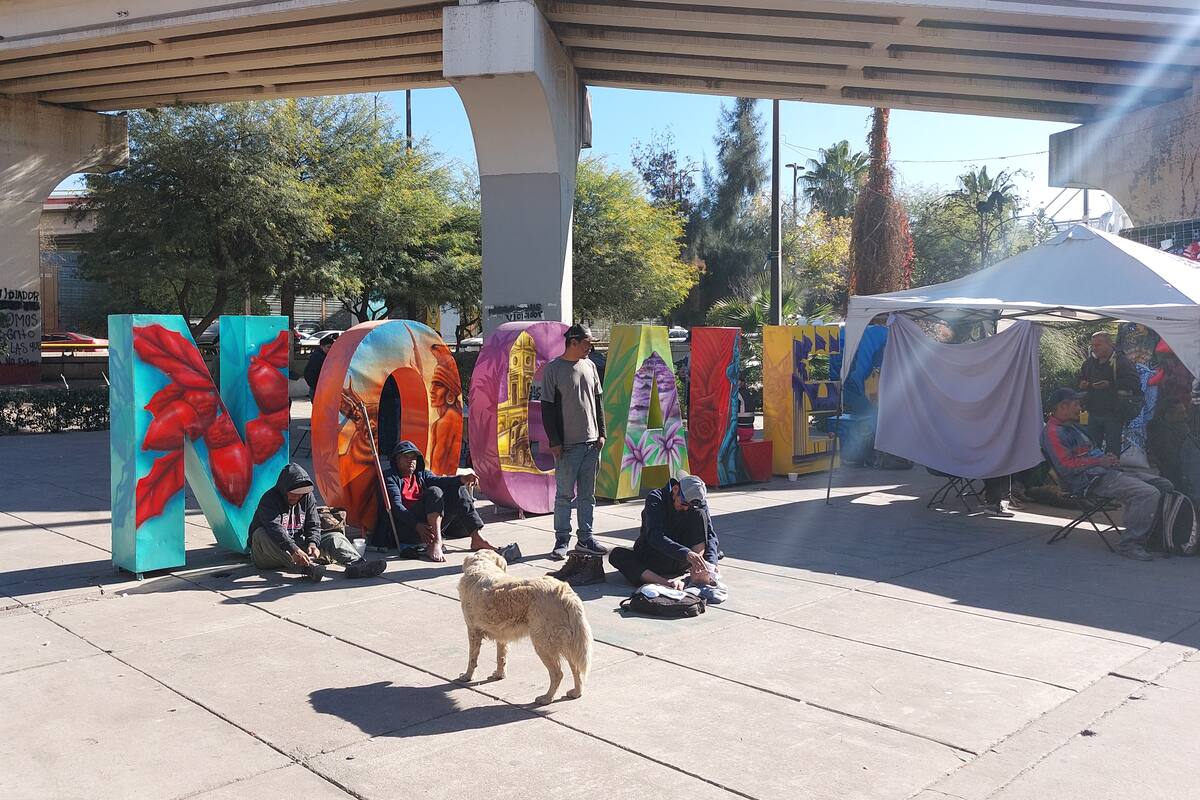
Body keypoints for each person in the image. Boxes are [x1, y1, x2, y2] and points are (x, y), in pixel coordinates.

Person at [1041, 388, 1172, 561]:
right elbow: (1066, 466)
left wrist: (1106, 458)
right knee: (1147, 493)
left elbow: (1089, 452)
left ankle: (1151, 536)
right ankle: (1130, 544)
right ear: (1063, 406)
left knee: (1163, 485)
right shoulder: (1053, 433)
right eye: (1076, 404)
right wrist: (1099, 462)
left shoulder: (1072, 426)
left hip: (1105, 473)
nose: (1079, 408)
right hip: (1089, 481)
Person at [540, 323, 609, 560]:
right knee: (564, 495)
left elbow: (599, 401)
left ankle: (586, 538)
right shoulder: (553, 370)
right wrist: (554, 441)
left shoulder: (590, 365)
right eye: (588, 342)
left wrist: (602, 433)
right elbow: (547, 408)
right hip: (568, 445)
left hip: (592, 444)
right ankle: (562, 540)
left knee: (587, 495)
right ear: (574, 342)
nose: (591, 347)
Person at [248, 463, 386, 581]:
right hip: (266, 553)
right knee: (261, 534)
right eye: (293, 493)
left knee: (334, 537)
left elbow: (313, 523)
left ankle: (357, 565)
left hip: (296, 544)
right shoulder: (269, 499)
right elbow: (274, 528)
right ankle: (307, 567)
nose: (297, 497)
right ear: (284, 488)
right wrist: (294, 549)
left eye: (300, 493)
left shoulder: (306, 497)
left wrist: (313, 543)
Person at [375, 439, 491, 562]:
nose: (410, 461)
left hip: (429, 526)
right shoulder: (390, 477)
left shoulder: (421, 475)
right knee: (434, 492)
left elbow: (441, 481)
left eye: (413, 457)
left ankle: (476, 537)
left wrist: (462, 479)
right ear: (396, 460)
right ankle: (436, 542)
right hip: (407, 527)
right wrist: (416, 525)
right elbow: (396, 507)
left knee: (459, 489)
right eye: (405, 457)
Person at [609, 475, 720, 588]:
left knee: (699, 514)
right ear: (675, 489)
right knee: (617, 555)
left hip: (683, 561)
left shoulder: (699, 503)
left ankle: (698, 569)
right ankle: (666, 583)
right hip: (654, 557)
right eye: (684, 504)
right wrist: (686, 553)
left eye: (690, 506)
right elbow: (655, 537)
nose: (686, 508)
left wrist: (710, 563)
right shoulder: (656, 498)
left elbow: (710, 535)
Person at [1078, 332, 1138, 455]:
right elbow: (1080, 378)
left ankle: (1112, 472)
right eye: (1093, 345)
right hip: (1093, 411)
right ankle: (1095, 471)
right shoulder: (1089, 363)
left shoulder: (1122, 362)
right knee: (1093, 446)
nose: (1095, 348)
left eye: (1098, 345)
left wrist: (1110, 384)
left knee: (1112, 447)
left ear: (1110, 344)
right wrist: (1082, 384)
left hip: (1113, 412)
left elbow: (1134, 382)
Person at [303, 333, 339, 401]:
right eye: (328, 347)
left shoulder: (324, 356)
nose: (330, 349)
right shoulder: (319, 357)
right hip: (318, 389)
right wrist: (317, 386)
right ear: (322, 347)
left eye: (332, 347)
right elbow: (309, 374)